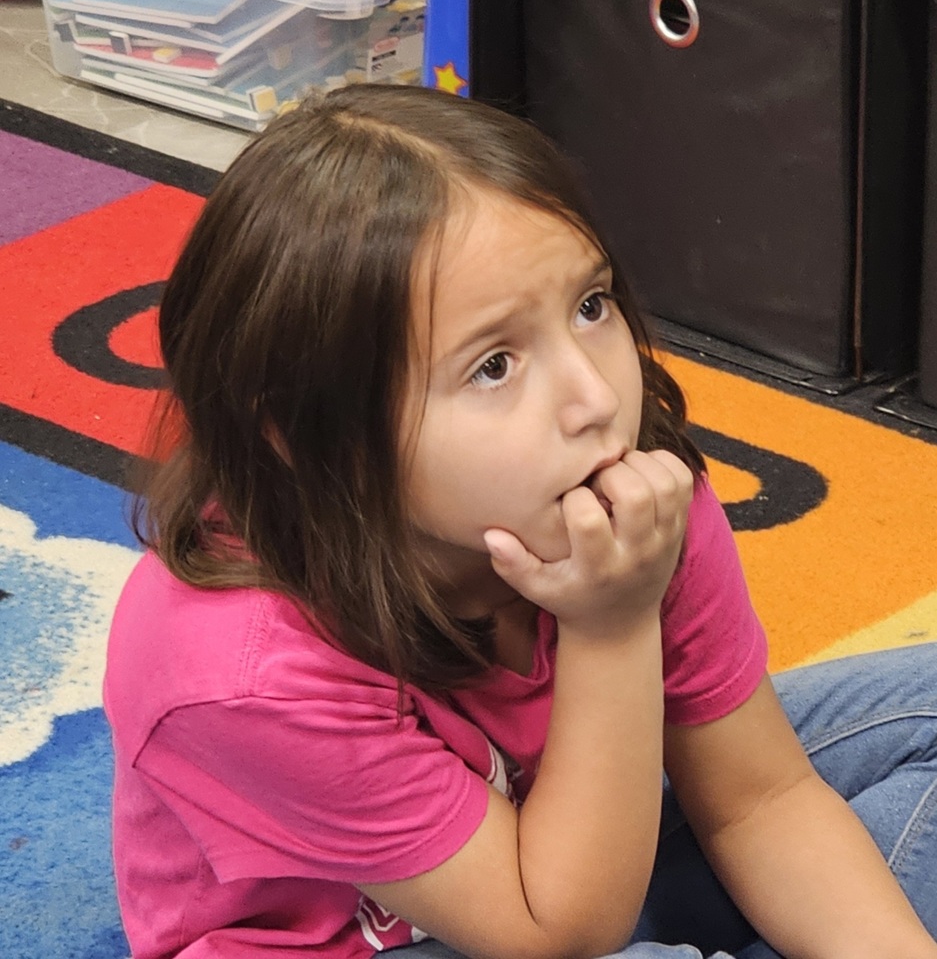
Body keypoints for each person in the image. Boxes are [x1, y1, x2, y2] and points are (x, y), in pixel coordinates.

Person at [105, 83, 937, 959]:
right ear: (310, 433)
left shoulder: (627, 495)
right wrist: (609, 625)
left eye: (590, 306)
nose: (593, 397)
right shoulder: (238, 668)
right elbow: (559, 936)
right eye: (494, 365)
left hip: (597, 852)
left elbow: (757, 800)